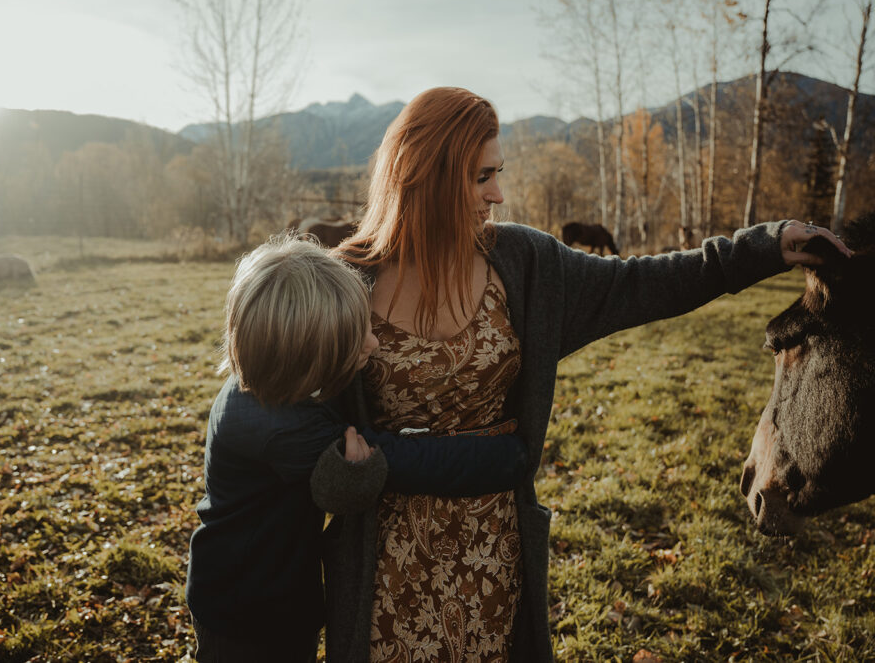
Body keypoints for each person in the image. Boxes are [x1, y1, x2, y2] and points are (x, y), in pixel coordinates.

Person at [308, 86, 851, 662]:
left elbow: (646, 282)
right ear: (427, 174)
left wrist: (764, 247)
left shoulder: (524, 263)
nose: (498, 194)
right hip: (383, 565)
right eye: (480, 177)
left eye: (499, 172)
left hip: (494, 553)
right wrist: (339, 480)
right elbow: (288, 415)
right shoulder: (345, 281)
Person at [185, 235, 531, 663]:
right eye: (355, 337)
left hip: (282, 599)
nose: (373, 343)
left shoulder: (273, 389)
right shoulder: (276, 428)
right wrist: (502, 458)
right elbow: (399, 460)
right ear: (307, 353)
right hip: (245, 617)